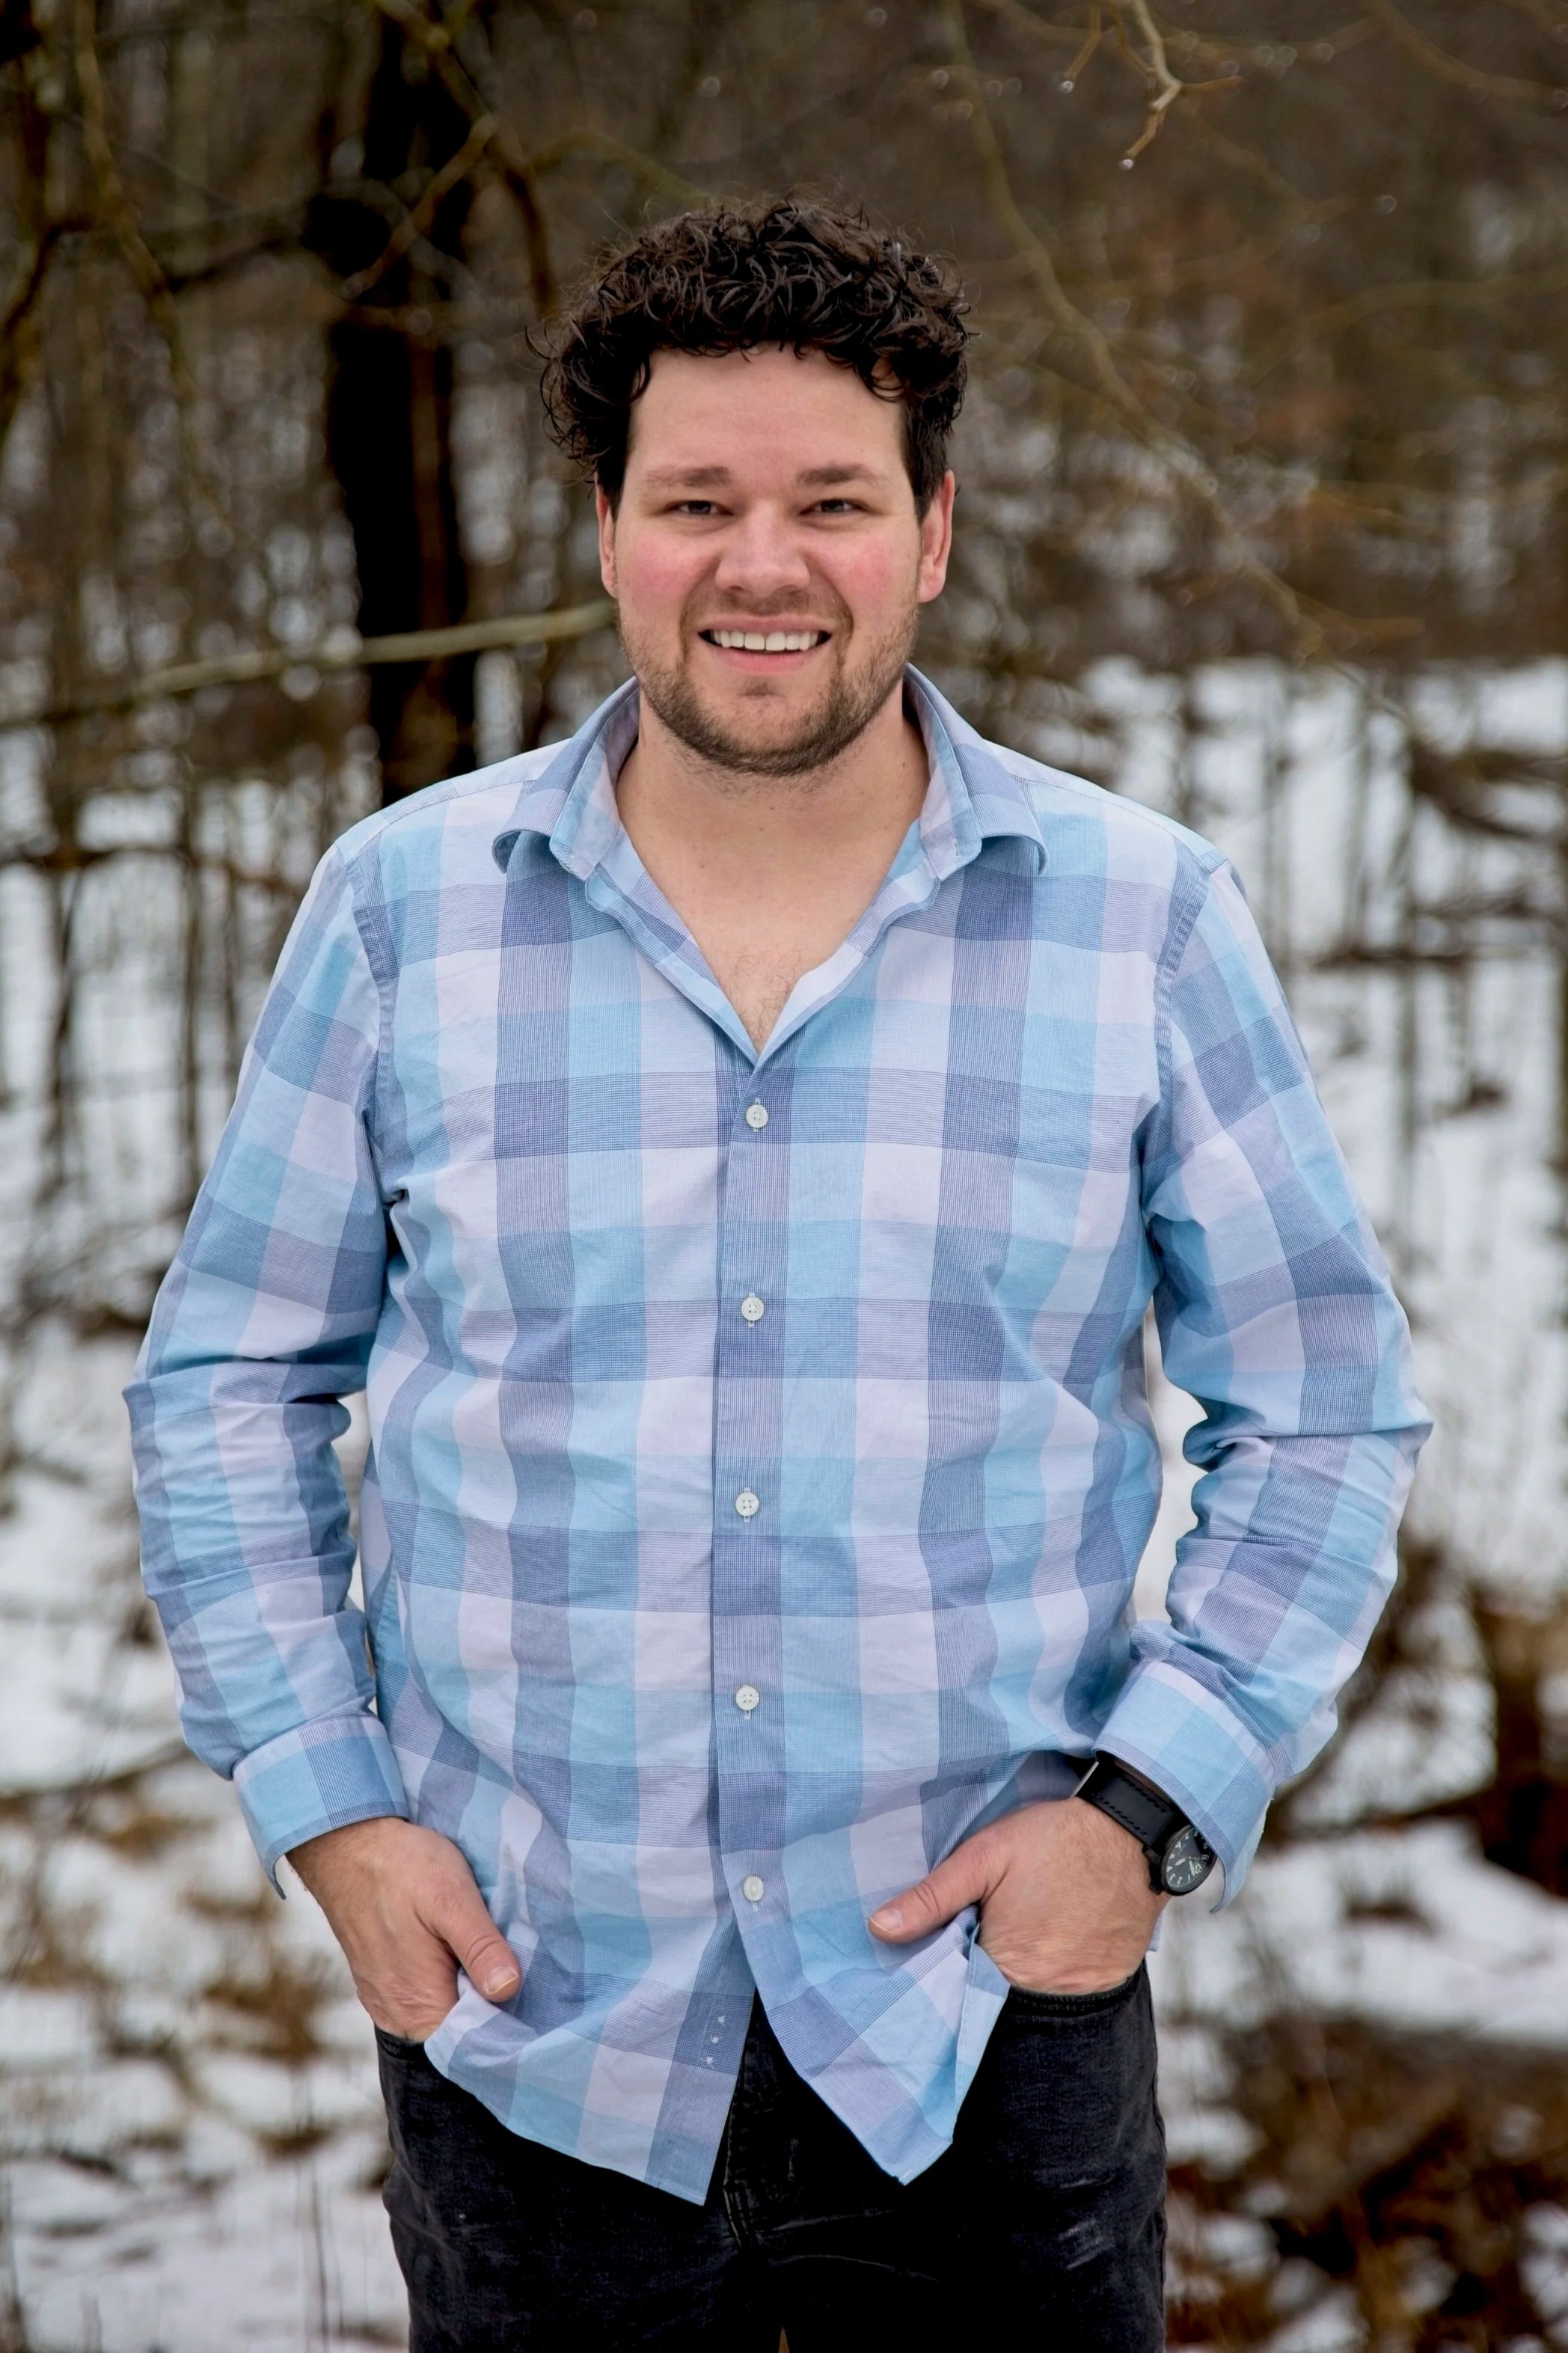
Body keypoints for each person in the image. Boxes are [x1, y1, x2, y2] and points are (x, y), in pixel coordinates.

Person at [126, 198, 1430, 2351]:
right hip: (532, 2033)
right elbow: (228, 1387)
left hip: (989, 2037)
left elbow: (1328, 1404)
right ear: (612, 535)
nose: (761, 563)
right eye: (695, 501)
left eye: (830, 500)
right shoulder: (401, 912)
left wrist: (1149, 1804)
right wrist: (333, 1808)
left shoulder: (1143, 920)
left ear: (929, 529)